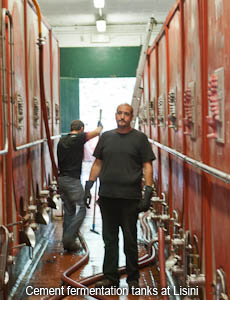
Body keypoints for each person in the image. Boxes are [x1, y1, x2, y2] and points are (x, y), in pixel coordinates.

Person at [83, 103, 155, 292]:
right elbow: (98, 163)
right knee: (109, 240)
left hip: (130, 199)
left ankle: (132, 279)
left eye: (126, 114)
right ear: (115, 115)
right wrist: (88, 186)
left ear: (132, 117)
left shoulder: (139, 139)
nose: (122, 117)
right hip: (107, 198)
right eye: (120, 113)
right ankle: (110, 278)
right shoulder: (106, 137)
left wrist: (148, 191)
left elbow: (147, 165)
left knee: (130, 241)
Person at [57, 119, 103, 251]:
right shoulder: (79, 138)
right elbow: (97, 132)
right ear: (81, 129)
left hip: (62, 179)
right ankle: (69, 237)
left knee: (69, 210)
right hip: (73, 180)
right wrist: (100, 125)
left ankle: (67, 243)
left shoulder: (62, 141)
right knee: (83, 207)